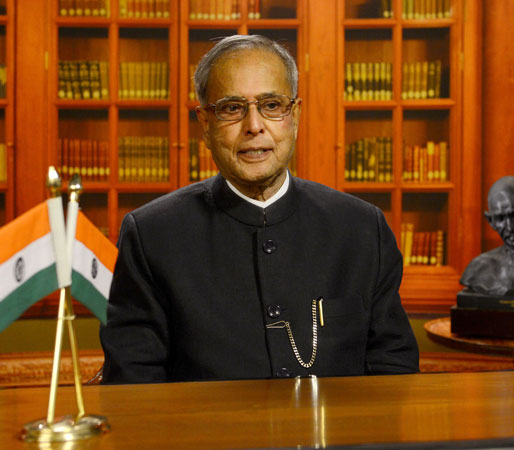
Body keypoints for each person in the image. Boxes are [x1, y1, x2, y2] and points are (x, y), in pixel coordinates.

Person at [100, 35, 419, 384]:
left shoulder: (361, 228)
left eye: (271, 105)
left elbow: (394, 373)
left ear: (294, 116)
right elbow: (134, 387)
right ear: (205, 124)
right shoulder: (152, 236)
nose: (254, 126)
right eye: (232, 108)